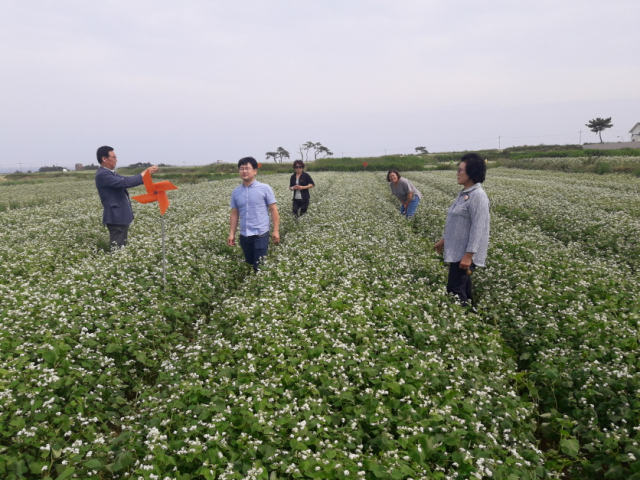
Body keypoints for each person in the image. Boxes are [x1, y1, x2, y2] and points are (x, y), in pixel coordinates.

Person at [433, 153, 490, 307]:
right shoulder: (465, 194)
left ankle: (464, 321)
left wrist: (469, 255)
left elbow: (478, 228)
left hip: (464, 254)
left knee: (455, 290)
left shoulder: (478, 196)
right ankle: (471, 320)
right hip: (458, 251)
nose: (457, 173)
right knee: (463, 288)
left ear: (471, 173)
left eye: (460, 170)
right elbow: (457, 224)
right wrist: (443, 241)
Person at [95, 146, 158, 248]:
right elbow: (125, 182)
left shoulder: (111, 173)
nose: (116, 160)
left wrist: (145, 175)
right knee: (117, 248)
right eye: (114, 157)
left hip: (120, 216)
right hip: (116, 217)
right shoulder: (103, 174)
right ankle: (116, 262)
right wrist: (146, 173)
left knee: (121, 246)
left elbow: (127, 179)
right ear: (104, 158)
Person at [228, 156, 280, 271]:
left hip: (260, 233)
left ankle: (260, 283)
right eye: (241, 168)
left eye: (247, 168)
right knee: (250, 261)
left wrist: (276, 230)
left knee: (259, 265)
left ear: (255, 171)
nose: (244, 171)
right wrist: (232, 233)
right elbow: (234, 213)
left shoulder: (265, 188)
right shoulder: (236, 191)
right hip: (244, 235)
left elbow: (273, 209)